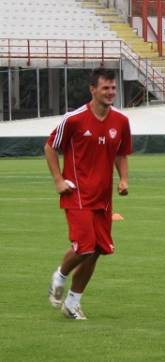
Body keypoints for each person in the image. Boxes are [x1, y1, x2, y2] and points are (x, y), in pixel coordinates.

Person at [46, 68, 131, 320]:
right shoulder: (74, 119)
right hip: (77, 194)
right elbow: (50, 147)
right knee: (84, 248)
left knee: (96, 251)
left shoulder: (121, 121)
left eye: (113, 88)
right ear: (92, 90)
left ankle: (73, 303)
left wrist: (124, 179)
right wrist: (59, 180)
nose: (110, 92)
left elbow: (121, 153)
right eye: (105, 88)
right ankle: (60, 275)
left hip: (103, 198)